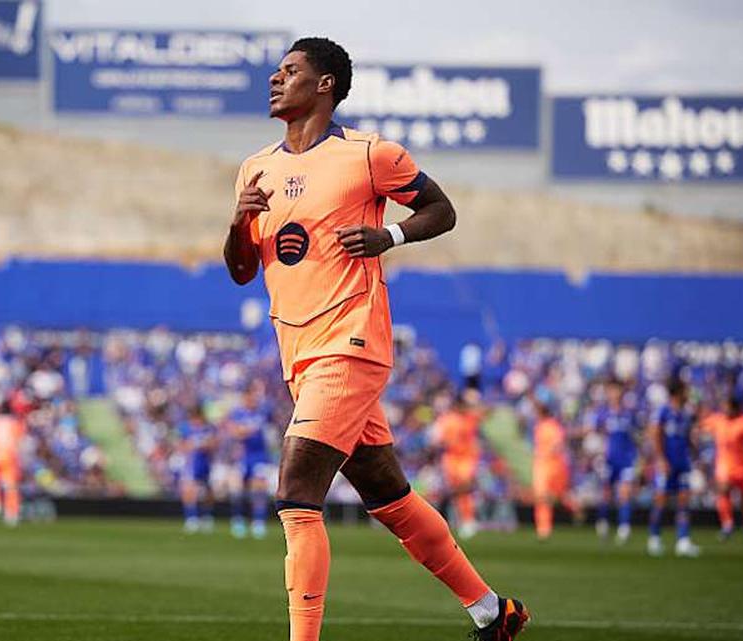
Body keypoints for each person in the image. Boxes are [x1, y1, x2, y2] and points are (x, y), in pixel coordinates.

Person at [223, 36, 528, 641]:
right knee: (389, 496)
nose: (275, 80)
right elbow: (240, 269)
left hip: (352, 343)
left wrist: (390, 236)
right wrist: (237, 220)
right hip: (299, 356)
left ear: (325, 85)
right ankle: (494, 612)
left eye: (290, 72)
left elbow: (441, 209)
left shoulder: (370, 155)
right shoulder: (256, 167)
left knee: (296, 491)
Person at [646, 379, 701, 557]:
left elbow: (687, 438)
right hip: (667, 462)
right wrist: (661, 459)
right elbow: (655, 434)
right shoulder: (663, 411)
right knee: (660, 500)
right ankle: (654, 538)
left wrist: (694, 445)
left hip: (682, 463)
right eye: (685, 390)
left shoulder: (685, 413)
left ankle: (683, 541)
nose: (688, 394)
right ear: (678, 392)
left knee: (684, 501)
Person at [590, 379, 640, 544]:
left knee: (624, 493)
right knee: (606, 493)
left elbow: (636, 436)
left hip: (626, 459)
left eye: (617, 390)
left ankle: (624, 528)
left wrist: (637, 455)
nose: (614, 394)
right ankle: (603, 522)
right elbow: (595, 433)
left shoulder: (629, 414)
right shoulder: (602, 413)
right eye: (611, 390)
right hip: (608, 459)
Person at [225, 385, 273, 539]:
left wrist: (245, 430)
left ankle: (258, 521)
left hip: (260, 455)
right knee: (237, 487)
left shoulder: (263, 411)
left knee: (259, 487)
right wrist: (247, 430)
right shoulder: (237, 413)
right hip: (243, 455)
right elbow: (235, 432)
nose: (252, 400)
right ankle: (238, 519)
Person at [708, 395, 743, 540]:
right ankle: (727, 524)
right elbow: (702, 425)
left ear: (735, 408)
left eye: (727, 406)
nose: (725, 409)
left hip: (742, 466)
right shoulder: (717, 420)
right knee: (723, 492)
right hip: (724, 465)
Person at [434, 390, 483, 538]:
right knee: (457, 490)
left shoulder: (470, 417)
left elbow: (486, 412)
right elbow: (440, 440)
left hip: (467, 457)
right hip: (451, 457)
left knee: (464, 487)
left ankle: (469, 519)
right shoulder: (447, 419)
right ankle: (464, 519)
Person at [531, 400, 570, 541]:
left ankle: (575, 512)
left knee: (551, 496)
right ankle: (543, 527)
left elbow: (558, 445)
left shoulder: (551, 426)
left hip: (550, 465)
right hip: (545, 464)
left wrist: (545, 453)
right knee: (543, 497)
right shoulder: (543, 426)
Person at [0, 402, 26, 527]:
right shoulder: (14, 423)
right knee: (11, 486)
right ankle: (11, 513)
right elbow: (19, 441)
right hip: (9, 456)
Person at [178, 406, 216, 533]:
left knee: (206, 491)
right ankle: (191, 517)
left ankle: (206, 517)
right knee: (189, 489)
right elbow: (183, 445)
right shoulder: (186, 429)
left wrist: (198, 445)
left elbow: (212, 444)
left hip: (205, 463)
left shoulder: (208, 428)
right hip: (192, 463)